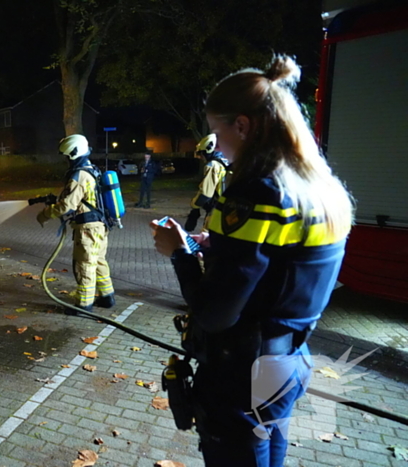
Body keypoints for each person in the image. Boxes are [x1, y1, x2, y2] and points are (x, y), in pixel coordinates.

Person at [150, 55, 353, 466]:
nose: (218, 145)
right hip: (287, 361)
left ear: (241, 125)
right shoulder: (319, 186)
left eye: (216, 132)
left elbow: (214, 314)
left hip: (241, 374)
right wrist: (218, 246)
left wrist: (181, 254)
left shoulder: (254, 192)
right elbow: (286, 265)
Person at [36, 134, 116, 312]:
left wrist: (45, 214)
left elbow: (67, 205)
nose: (66, 160)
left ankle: (84, 305)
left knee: (85, 265)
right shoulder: (91, 169)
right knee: (99, 261)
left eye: (66, 156)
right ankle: (107, 297)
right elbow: (82, 198)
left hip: (88, 228)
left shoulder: (79, 175)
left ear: (73, 153)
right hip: (100, 226)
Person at [184, 134, 229, 231]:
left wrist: (194, 207)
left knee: (207, 238)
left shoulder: (213, 165)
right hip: (231, 209)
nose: (200, 157)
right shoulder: (228, 162)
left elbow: (205, 194)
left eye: (201, 153)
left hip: (218, 209)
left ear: (208, 150)